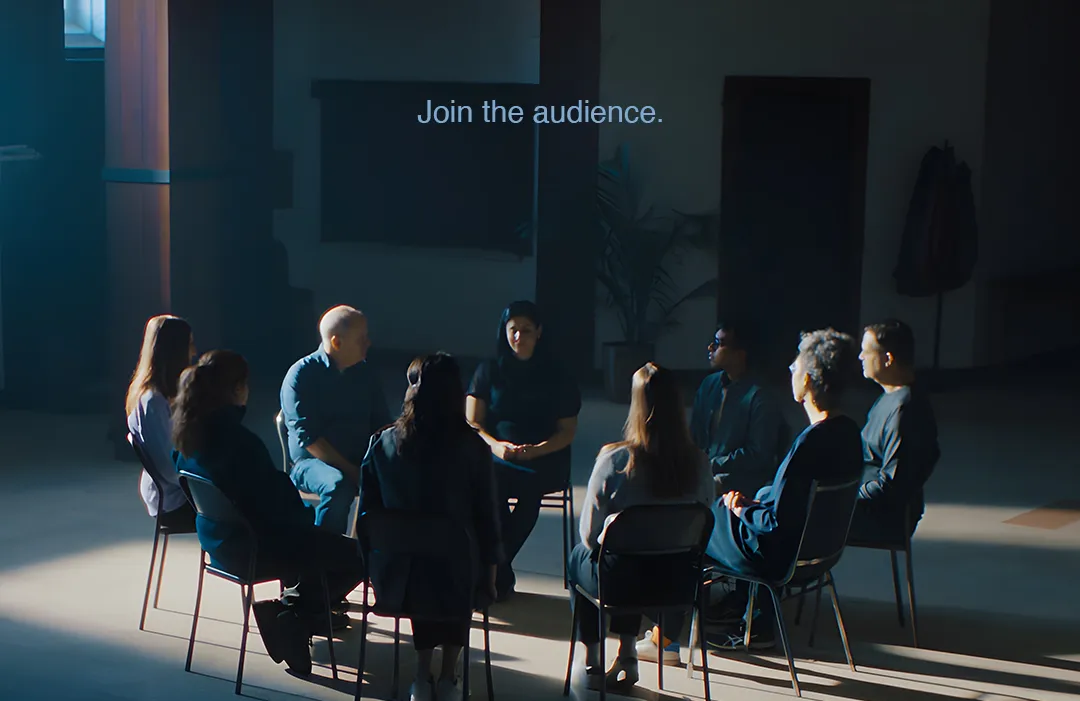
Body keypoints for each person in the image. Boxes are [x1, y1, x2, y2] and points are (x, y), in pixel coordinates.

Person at [173, 350, 366, 676]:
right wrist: (306, 517)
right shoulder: (240, 443)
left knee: (324, 548)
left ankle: (298, 611)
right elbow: (280, 507)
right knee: (359, 555)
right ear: (236, 389)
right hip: (256, 547)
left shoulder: (186, 438)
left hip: (219, 542)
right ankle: (293, 613)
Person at [705, 329, 864, 651]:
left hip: (780, 557)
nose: (791, 370)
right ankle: (750, 613)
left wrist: (741, 508)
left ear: (808, 380)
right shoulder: (848, 432)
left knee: (704, 520)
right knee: (747, 503)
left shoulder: (808, 444)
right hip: (821, 553)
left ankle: (676, 631)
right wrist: (757, 503)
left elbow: (776, 525)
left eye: (796, 365)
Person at [638, 321, 786, 665]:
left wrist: (711, 467)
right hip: (707, 475)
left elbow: (760, 455)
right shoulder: (708, 386)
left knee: (686, 515)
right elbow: (692, 438)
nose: (710, 348)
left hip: (742, 487)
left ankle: (672, 623)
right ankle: (671, 602)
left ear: (740, 353)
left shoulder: (760, 397)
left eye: (719, 344)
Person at [359, 353, 503, 701]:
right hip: (457, 574)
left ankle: (422, 675)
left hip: (397, 576)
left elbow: (367, 515)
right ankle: (449, 674)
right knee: (455, 559)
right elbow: (487, 518)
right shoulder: (472, 448)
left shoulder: (383, 443)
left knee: (420, 559)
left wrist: (370, 567)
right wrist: (492, 576)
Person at [570, 363, 713, 692]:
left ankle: (593, 656)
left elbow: (589, 538)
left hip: (621, 585)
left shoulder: (616, 462)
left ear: (636, 406)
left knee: (584, 556)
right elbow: (703, 518)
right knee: (634, 557)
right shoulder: (699, 463)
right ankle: (627, 654)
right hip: (676, 584)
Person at [466, 301, 581, 601]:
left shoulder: (558, 374)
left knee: (530, 488)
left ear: (539, 332)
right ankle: (499, 574)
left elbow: (567, 430)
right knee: (489, 486)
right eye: (513, 330)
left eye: (526, 330)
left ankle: (495, 567)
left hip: (545, 455)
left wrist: (536, 450)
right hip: (497, 452)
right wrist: (496, 446)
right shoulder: (488, 370)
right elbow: (472, 422)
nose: (519, 337)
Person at [280, 305, 392, 534]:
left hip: (359, 460)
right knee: (338, 486)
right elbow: (309, 438)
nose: (368, 343)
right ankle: (325, 558)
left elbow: (382, 425)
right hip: (312, 463)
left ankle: (381, 559)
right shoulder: (302, 375)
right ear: (336, 342)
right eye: (361, 339)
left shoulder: (366, 375)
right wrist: (352, 471)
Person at [851, 319, 940, 542]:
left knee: (794, 517)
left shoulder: (904, 410)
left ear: (888, 359)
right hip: (867, 504)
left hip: (882, 517)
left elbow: (891, 485)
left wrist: (842, 497)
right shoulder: (891, 398)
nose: (860, 357)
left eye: (866, 351)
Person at [125, 314, 196, 528]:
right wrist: (208, 485)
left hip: (180, 490)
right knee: (244, 511)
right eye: (189, 345)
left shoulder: (163, 395)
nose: (194, 352)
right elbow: (169, 468)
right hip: (173, 501)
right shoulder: (152, 402)